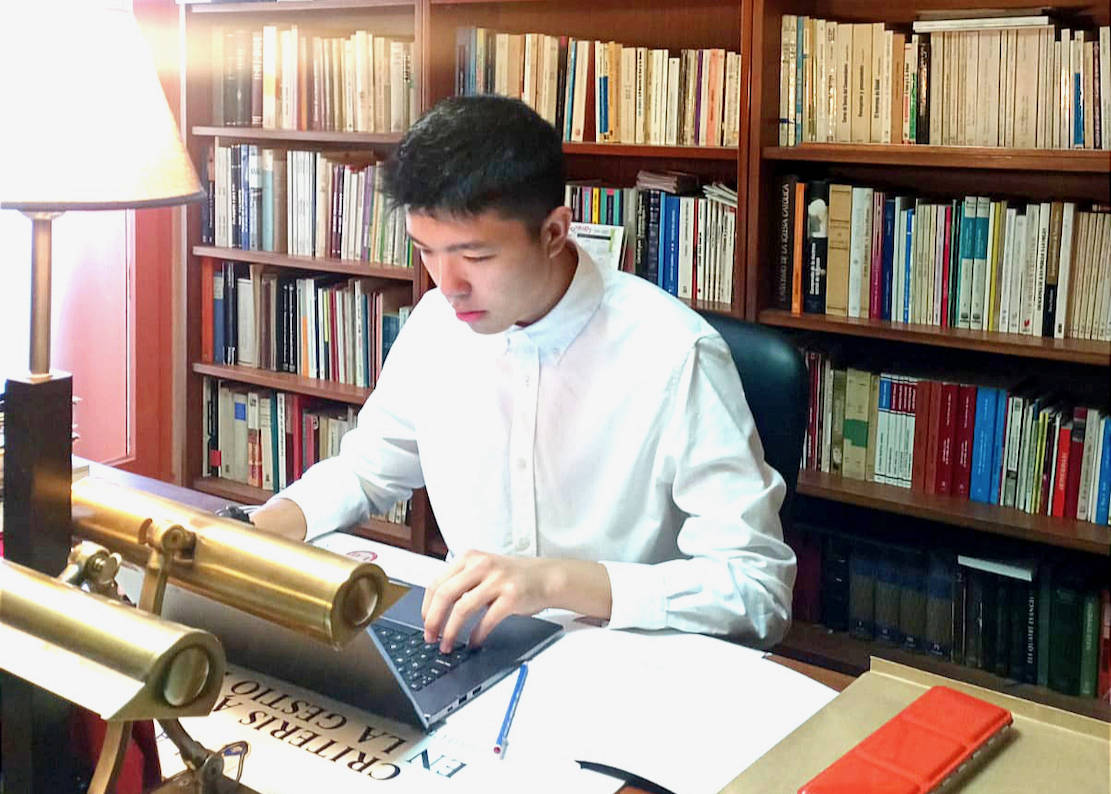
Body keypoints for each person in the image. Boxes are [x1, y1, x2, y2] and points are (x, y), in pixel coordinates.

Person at [250, 95, 796, 653]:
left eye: (476, 257)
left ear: (554, 232)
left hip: (624, 659)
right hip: (471, 646)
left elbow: (758, 590)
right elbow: (365, 472)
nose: (447, 285)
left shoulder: (675, 355)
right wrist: (262, 527)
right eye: (427, 252)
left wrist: (555, 581)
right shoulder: (436, 325)